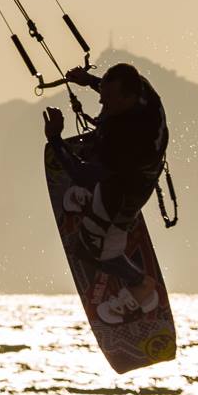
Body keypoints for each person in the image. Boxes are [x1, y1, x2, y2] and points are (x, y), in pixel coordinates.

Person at [43, 63, 168, 324]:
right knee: (98, 159)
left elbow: (80, 175)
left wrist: (55, 138)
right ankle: (94, 201)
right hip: (123, 165)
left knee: (88, 251)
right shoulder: (141, 88)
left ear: (128, 99)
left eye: (108, 100)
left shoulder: (130, 140)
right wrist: (88, 80)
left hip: (129, 185)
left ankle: (141, 283)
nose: (101, 101)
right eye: (103, 95)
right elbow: (111, 90)